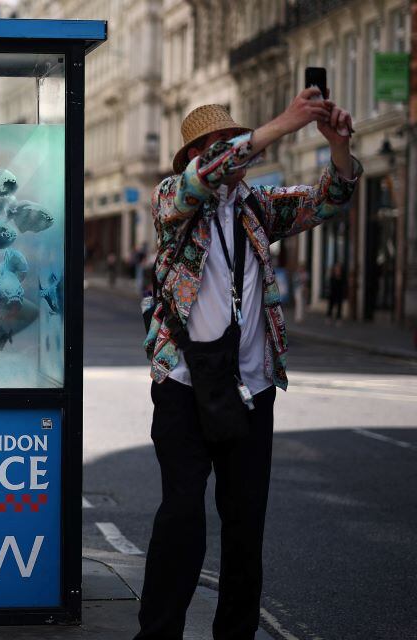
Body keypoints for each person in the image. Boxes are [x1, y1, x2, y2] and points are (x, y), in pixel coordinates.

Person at [138, 89, 361, 639]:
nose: (231, 155)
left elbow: (328, 198)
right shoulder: (173, 201)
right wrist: (281, 124)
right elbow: (207, 177)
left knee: (244, 529)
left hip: (251, 388)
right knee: (182, 517)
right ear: (195, 156)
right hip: (185, 385)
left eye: (234, 142)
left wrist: (338, 149)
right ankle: (158, 633)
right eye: (218, 146)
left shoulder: (258, 208)